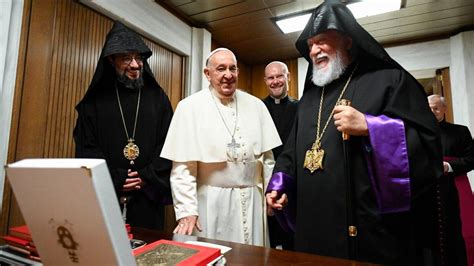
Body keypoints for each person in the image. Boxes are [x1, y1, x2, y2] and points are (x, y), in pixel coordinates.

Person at [265, 1, 443, 264]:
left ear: (348, 40)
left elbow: (427, 146)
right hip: (311, 229)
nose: (314, 50)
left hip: (368, 231)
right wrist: (280, 183)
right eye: (311, 44)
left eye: (322, 41)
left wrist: (372, 127)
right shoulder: (311, 98)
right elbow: (292, 151)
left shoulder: (390, 80)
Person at [160, 48, 281, 246]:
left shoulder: (257, 105)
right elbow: (183, 169)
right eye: (221, 69)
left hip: (253, 203)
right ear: (207, 74)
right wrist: (187, 211)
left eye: (233, 69)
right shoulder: (189, 107)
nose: (228, 75)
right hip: (211, 203)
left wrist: (270, 193)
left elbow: (268, 159)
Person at [73, 21, 173, 230]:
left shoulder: (158, 98)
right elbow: (86, 148)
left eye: (139, 57)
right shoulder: (93, 103)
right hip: (105, 195)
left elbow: (169, 142)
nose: (135, 65)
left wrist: (146, 176)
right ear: (111, 60)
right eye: (127, 58)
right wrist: (115, 177)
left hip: (148, 196)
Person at [428, 94, 474, 266]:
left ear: (445, 109)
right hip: (429, 187)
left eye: (436, 108)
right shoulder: (418, 133)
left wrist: (448, 166)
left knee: (459, 230)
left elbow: (472, 159)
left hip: (456, 184)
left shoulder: (460, 131)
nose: (432, 111)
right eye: (429, 108)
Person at [262, 61, 298, 250]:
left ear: (288, 77)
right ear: (265, 80)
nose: (275, 81)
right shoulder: (257, 108)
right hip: (265, 183)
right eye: (271, 77)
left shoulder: (302, 108)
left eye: (279, 76)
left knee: (291, 244)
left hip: (292, 183)